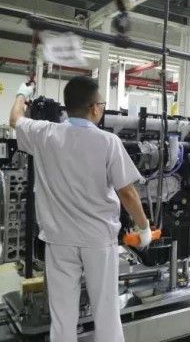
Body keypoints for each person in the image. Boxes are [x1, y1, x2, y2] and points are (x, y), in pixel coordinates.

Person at [9, 77, 152, 342]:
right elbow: (128, 193)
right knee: (106, 312)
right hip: (98, 240)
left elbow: (15, 119)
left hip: (59, 239)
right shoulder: (108, 142)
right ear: (95, 108)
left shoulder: (44, 133)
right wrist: (144, 227)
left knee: (62, 315)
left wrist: (21, 93)